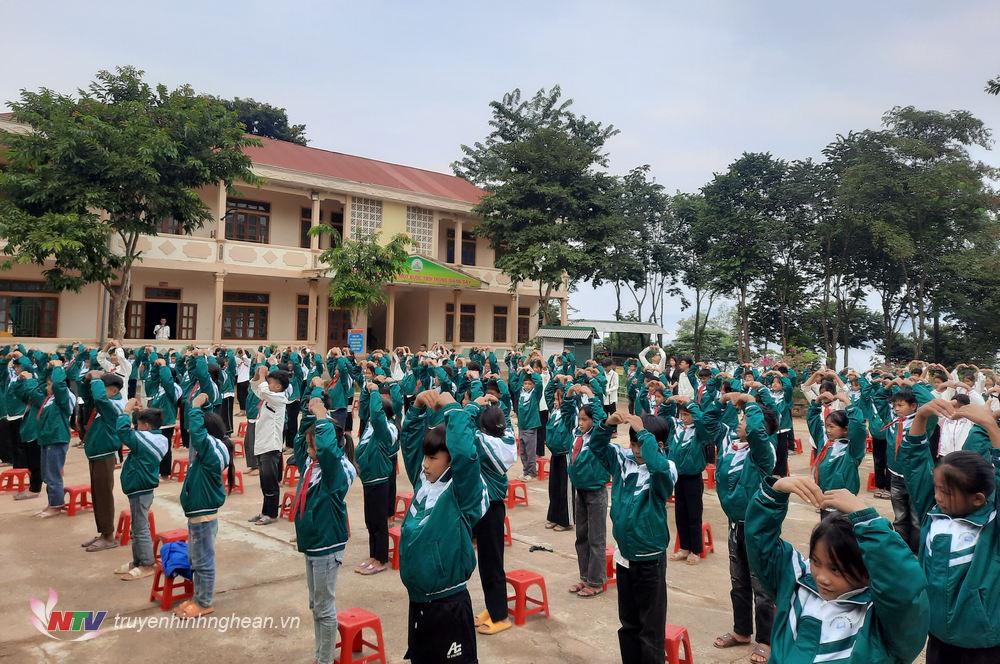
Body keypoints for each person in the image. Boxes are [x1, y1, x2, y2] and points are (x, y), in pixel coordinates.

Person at [744, 475, 929, 663]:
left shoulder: (881, 621)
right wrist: (773, 495)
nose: (822, 577)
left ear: (867, 571)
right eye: (816, 561)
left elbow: (904, 590)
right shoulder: (796, 582)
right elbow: (761, 545)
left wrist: (869, 521)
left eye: (836, 570)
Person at [900, 400, 1000, 663]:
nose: (937, 496)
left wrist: (990, 425)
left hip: (982, 644)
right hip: (937, 635)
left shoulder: (992, 527)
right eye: (936, 488)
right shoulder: (934, 513)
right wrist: (921, 417)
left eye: (946, 492)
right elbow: (914, 465)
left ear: (978, 499)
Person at [398, 389, 488, 664]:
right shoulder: (424, 484)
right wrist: (416, 409)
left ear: (450, 463)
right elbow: (410, 445)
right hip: (419, 602)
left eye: (433, 458)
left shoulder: (460, 494)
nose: (425, 465)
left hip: (448, 605)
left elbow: (465, 454)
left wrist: (454, 410)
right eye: (425, 458)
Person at [591, 411, 676, 663]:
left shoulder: (665, 468)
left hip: (649, 558)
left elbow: (660, 471)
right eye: (633, 443)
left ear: (658, 445)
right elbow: (597, 446)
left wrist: (644, 434)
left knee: (650, 629)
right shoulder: (622, 461)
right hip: (625, 556)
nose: (636, 449)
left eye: (640, 444)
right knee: (628, 624)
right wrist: (606, 425)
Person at [705, 392, 777, 663]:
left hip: (757, 528)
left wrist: (752, 403)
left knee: (762, 586)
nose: (740, 422)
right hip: (735, 524)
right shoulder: (734, 447)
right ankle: (742, 631)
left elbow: (757, 432)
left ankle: (766, 640)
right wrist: (720, 401)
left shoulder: (763, 453)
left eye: (745, 419)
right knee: (738, 581)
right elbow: (707, 425)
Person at [292, 395, 356, 664]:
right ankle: (320, 655)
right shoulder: (312, 465)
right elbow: (299, 442)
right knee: (315, 605)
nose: (308, 450)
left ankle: (325, 660)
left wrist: (322, 418)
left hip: (327, 544)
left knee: (324, 608)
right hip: (313, 542)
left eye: (313, 446)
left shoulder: (335, 472)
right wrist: (311, 412)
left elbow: (328, 450)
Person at [174, 391, 234, 618]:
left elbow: (198, 433)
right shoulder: (208, 451)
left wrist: (196, 407)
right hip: (198, 515)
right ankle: (198, 597)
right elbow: (199, 433)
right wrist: (202, 406)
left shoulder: (211, 453)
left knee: (203, 561)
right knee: (196, 558)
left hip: (203, 516)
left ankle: (204, 601)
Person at [466, 379, 517, 635]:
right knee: (488, 561)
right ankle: (493, 606)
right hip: (493, 509)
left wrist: (474, 405)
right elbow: (501, 418)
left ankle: (500, 615)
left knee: (492, 563)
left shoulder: (483, 443)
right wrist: (495, 403)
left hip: (490, 509)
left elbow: (464, 427)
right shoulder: (506, 438)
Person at [114, 400, 168, 580]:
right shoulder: (157, 438)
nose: (136, 428)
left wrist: (126, 411)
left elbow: (123, 432)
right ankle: (138, 561)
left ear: (146, 426)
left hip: (140, 487)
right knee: (137, 527)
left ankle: (147, 564)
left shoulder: (146, 440)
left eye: (138, 425)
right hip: (141, 487)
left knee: (140, 527)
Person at [567, 389, 611, 598]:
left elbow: (603, 418)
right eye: (580, 419)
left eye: (585, 419)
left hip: (595, 492)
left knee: (596, 538)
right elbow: (566, 412)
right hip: (581, 491)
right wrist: (569, 394)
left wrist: (592, 395)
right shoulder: (577, 435)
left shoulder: (598, 437)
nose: (581, 422)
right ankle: (585, 576)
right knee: (581, 536)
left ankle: (596, 581)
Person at [355, 379, 399, 576]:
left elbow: (376, 415)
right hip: (368, 479)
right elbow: (366, 410)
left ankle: (381, 559)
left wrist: (374, 393)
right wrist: (367, 391)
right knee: (370, 520)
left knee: (379, 522)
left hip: (379, 480)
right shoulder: (371, 426)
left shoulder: (386, 429)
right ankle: (373, 555)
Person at [80, 371, 127, 552]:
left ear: (113, 390)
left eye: (102, 387)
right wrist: (88, 380)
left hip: (105, 455)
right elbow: (87, 395)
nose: (97, 390)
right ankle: (103, 532)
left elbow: (99, 398)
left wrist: (96, 379)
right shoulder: (104, 404)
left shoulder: (113, 406)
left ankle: (108, 536)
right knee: (98, 495)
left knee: (103, 496)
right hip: (96, 454)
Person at [23, 359, 73, 516]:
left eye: (49, 384)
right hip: (46, 439)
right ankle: (52, 502)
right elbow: (34, 391)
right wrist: (46, 370)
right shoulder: (48, 399)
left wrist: (58, 368)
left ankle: (56, 505)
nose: (47, 387)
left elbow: (58, 385)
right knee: (46, 474)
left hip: (56, 439)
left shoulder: (62, 399)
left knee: (53, 475)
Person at [806, 392, 867, 517]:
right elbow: (813, 421)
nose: (828, 430)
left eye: (832, 427)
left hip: (843, 504)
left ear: (845, 429)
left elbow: (859, 428)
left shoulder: (852, 449)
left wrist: (849, 404)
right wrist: (817, 401)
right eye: (826, 426)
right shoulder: (825, 443)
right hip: (825, 499)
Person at [663, 395, 708, 565]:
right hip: (678, 476)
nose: (683, 418)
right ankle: (684, 547)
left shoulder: (699, 432)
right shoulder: (677, 427)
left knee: (694, 514)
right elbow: (663, 417)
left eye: (687, 415)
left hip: (693, 478)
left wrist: (690, 404)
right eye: (682, 414)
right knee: (680, 513)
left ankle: (696, 550)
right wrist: (668, 401)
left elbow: (702, 419)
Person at [247, 363, 290, 525]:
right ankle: (264, 512)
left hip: (271, 446)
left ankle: (271, 514)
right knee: (264, 482)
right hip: (262, 444)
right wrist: (258, 375)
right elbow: (257, 388)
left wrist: (263, 376)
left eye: (270, 382)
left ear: (278, 387)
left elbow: (263, 390)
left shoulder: (279, 398)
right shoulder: (270, 396)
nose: (267, 383)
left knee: (270, 483)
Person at [542, 375, 576, 532]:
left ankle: (565, 520)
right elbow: (547, 393)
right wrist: (555, 380)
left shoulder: (568, 415)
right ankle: (553, 516)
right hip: (555, 454)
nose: (555, 402)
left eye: (558, 399)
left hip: (565, 455)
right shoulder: (554, 411)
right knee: (554, 487)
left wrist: (568, 384)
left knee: (565, 489)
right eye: (555, 399)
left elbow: (570, 402)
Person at [145, 353, 181, 479]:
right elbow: (151, 380)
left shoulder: (175, 388)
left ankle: (165, 473)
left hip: (166, 422)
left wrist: (164, 367)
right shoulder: (157, 387)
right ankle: (155, 471)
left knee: (164, 447)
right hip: (154, 421)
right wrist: (156, 367)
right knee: (153, 447)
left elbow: (167, 381)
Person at [509, 366, 542, 481]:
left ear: (533, 385)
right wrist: (518, 373)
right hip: (522, 426)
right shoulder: (521, 393)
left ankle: (531, 472)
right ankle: (525, 471)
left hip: (531, 426)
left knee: (530, 451)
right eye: (525, 383)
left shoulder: (535, 394)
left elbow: (539, 383)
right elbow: (513, 384)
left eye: (529, 384)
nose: (527, 386)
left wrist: (532, 373)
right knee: (522, 451)